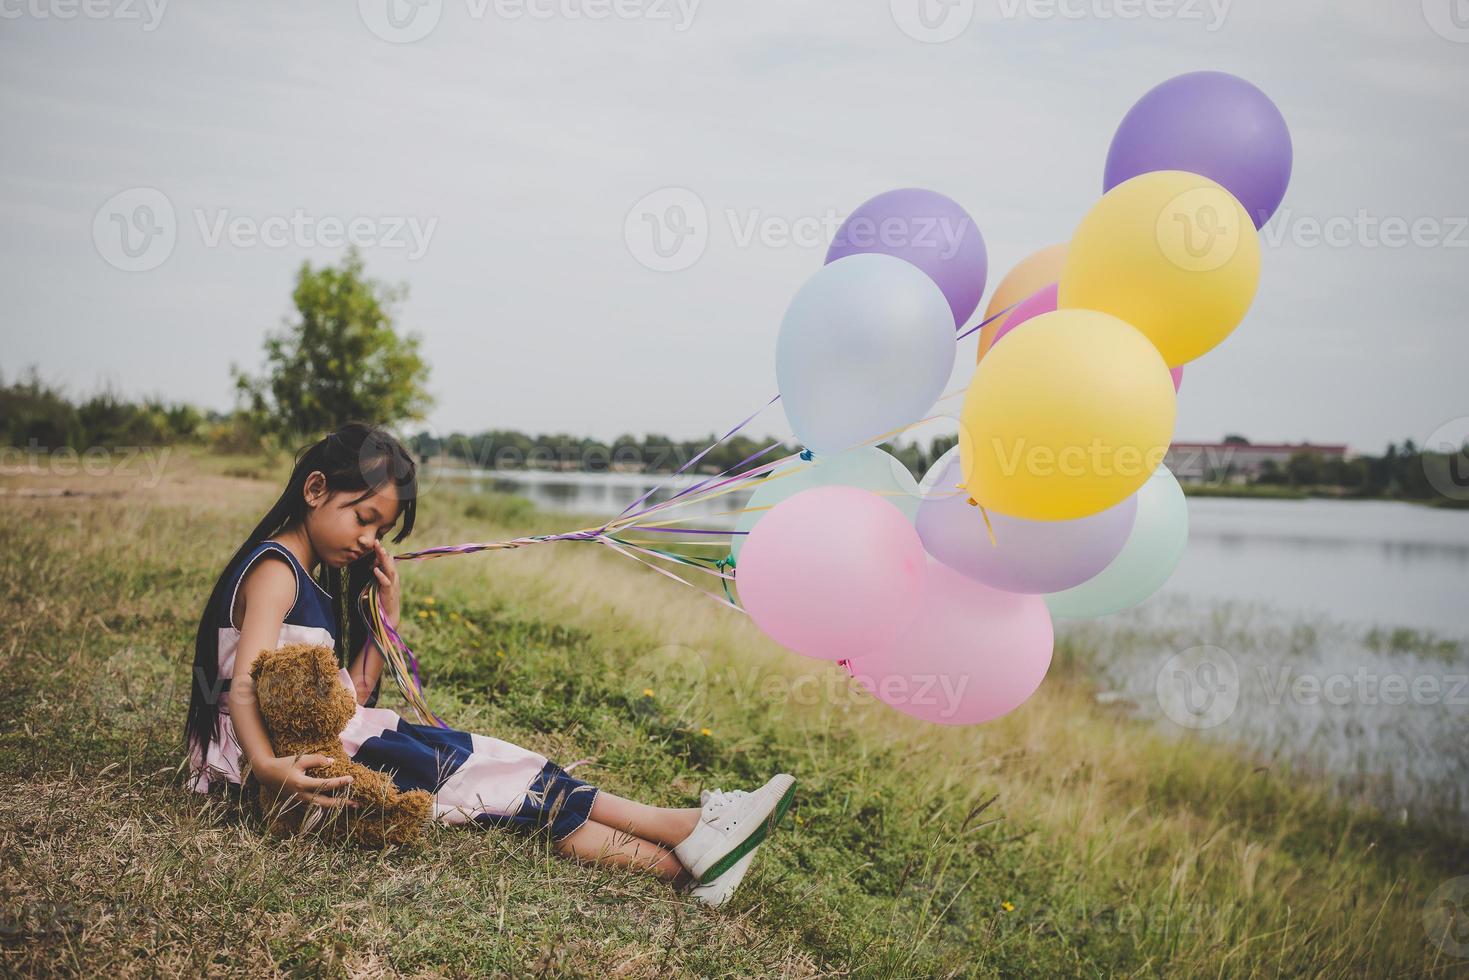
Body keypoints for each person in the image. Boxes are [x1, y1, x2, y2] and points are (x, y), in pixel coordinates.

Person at [182, 421, 794, 906]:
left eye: (382, 530)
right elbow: (244, 686)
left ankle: (688, 859)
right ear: (315, 490)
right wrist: (267, 768)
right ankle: (691, 834)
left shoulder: (307, 578)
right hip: (288, 765)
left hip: (331, 743)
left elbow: (355, 698)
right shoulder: (274, 571)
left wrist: (384, 613)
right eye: (364, 518)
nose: (371, 539)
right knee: (491, 785)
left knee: (497, 762)